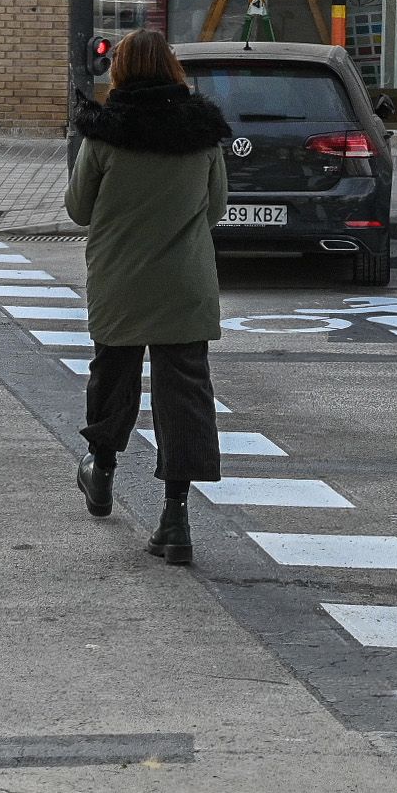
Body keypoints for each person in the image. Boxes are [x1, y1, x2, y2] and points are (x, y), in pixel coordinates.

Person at [64, 29, 231, 565]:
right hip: (186, 283)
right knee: (185, 396)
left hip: (120, 280)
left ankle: (101, 468)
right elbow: (216, 208)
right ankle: (176, 519)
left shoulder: (105, 134)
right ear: (173, 69)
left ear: (121, 71)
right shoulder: (203, 134)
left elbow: (79, 210)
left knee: (113, 375)